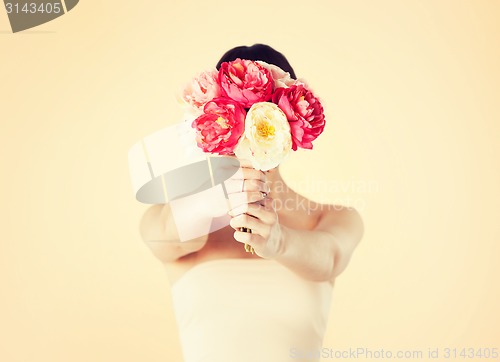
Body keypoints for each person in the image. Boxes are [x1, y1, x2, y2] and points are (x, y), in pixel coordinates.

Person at [138, 44, 364, 362]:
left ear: (291, 130)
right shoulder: (173, 221)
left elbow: (329, 258)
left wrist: (279, 242)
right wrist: (217, 194)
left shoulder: (329, 220)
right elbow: (164, 236)